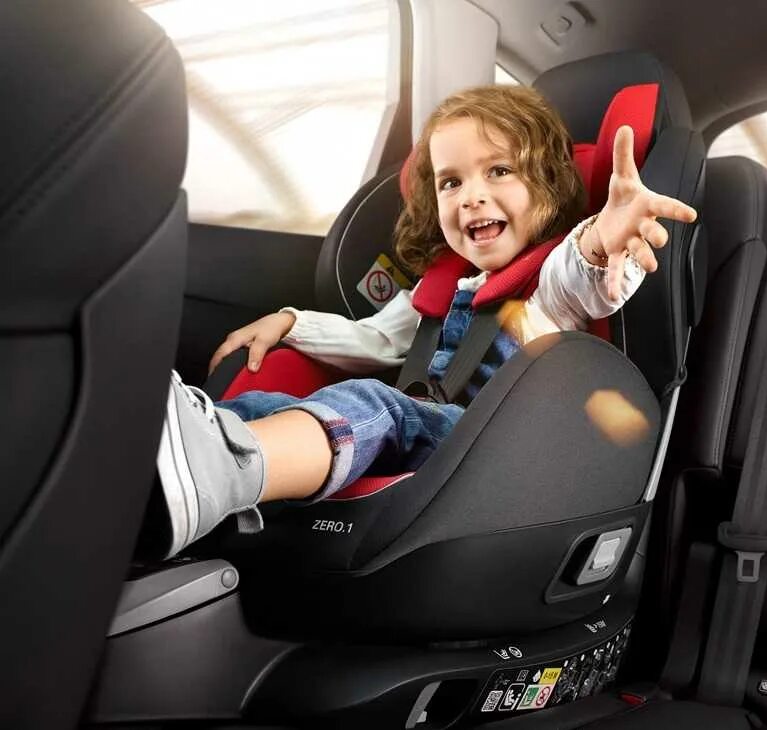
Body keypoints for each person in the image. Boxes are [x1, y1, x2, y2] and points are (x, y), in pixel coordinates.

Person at [151, 85, 697, 560]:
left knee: (378, 406)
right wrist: (290, 324)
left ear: (549, 185)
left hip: (490, 453)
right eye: (450, 182)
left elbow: (586, 276)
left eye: (499, 171)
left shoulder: (551, 282)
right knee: (272, 405)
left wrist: (604, 236)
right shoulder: (440, 289)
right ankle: (181, 459)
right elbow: (376, 340)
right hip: (425, 431)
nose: (472, 196)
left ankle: (224, 467)